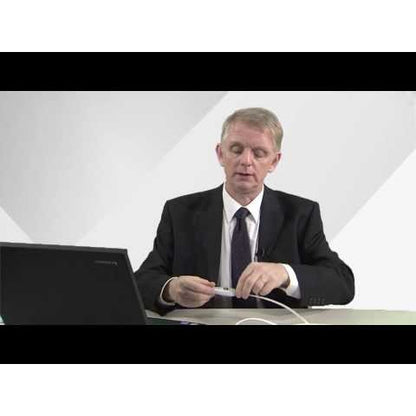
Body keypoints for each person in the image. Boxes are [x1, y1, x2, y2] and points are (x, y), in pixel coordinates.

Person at [135, 107, 354, 314]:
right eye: (236, 150)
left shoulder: (300, 214)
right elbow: (141, 281)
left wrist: (285, 273)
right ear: (220, 154)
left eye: (259, 153)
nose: (246, 161)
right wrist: (170, 289)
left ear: (274, 161)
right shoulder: (180, 213)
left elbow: (342, 283)